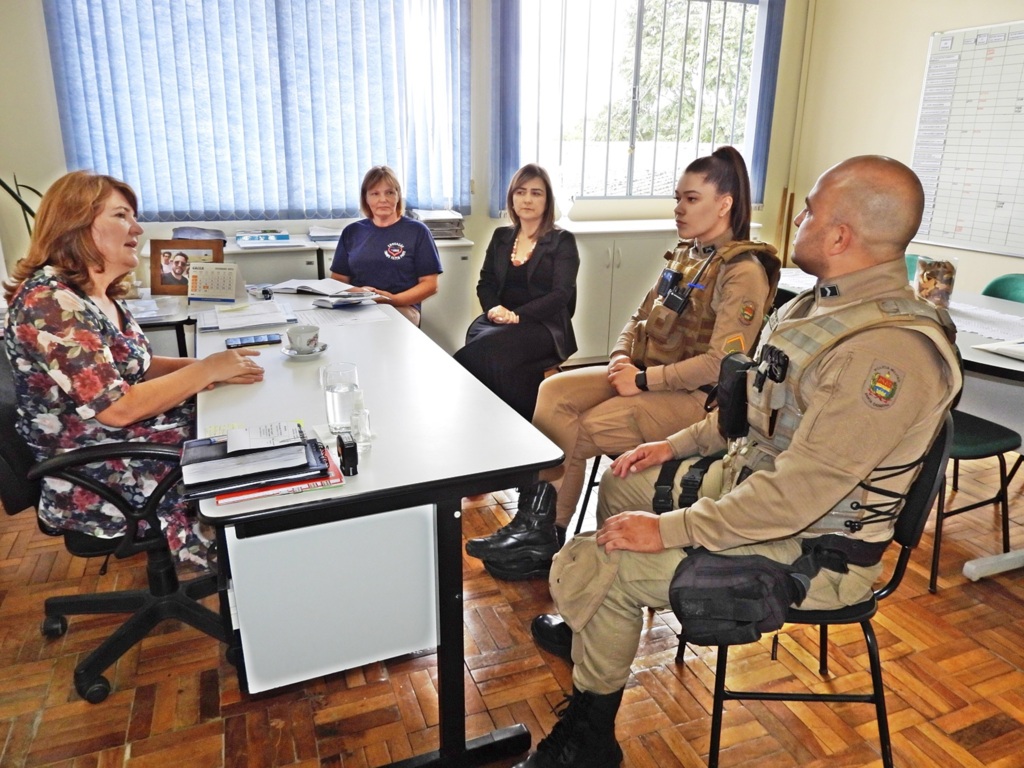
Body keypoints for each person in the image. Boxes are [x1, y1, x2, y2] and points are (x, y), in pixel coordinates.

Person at [513, 156, 962, 768]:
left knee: (610, 559)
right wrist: (673, 445)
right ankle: (594, 628)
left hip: (813, 547)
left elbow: (798, 497)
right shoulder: (814, 309)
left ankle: (589, 741)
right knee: (624, 486)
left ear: (840, 236)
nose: (797, 219)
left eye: (809, 210)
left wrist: (669, 530)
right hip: (755, 484)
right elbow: (745, 410)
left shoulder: (886, 351)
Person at [466, 146, 781, 580]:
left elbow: (720, 364)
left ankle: (548, 536)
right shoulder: (688, 254)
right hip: (646, 377)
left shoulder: (742, 270)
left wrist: (646, 380)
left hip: (695, 401)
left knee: (580, 427)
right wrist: (618, 357)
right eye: (677, 198)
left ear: (724, 204)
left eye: (691, 199)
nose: (678, 209)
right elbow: (639, 316)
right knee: (553, 391)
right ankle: (532, 523)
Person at [3, 171, 266, 568]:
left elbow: (137, 367)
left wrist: (209, 369)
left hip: (127, 437)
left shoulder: (92, 293)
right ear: (76, 223)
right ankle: (254, 576)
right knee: (251, 458)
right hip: (99, 467)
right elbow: (118, 408)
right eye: (121, 215)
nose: (138, 228)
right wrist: (207, 369)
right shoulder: (50, 302)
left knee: (251, 421)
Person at [453, 164, 579, 420]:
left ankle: (470, 412)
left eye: (536, 193)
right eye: (521, 192)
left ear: (547, 200)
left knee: (487, 350)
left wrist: (517, 316)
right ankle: (514, 423)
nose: (527, 199)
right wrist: (494, 309)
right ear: (512, 197)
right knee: (497, 354)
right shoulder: (501, 236)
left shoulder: (562, 241)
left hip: (544, 325)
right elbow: (485, 283)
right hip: (498, 320)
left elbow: (561, 295)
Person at [329, 165, 442, 325]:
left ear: (398, 196)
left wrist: (392, 299)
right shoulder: (352, 232)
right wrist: (359, 292)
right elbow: (338, 280)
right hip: (358, 306)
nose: (383, 199)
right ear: (366, 199)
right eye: (375, 193)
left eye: (389, 192)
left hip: (402, 307)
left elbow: (430, 285)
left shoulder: (417, 231)